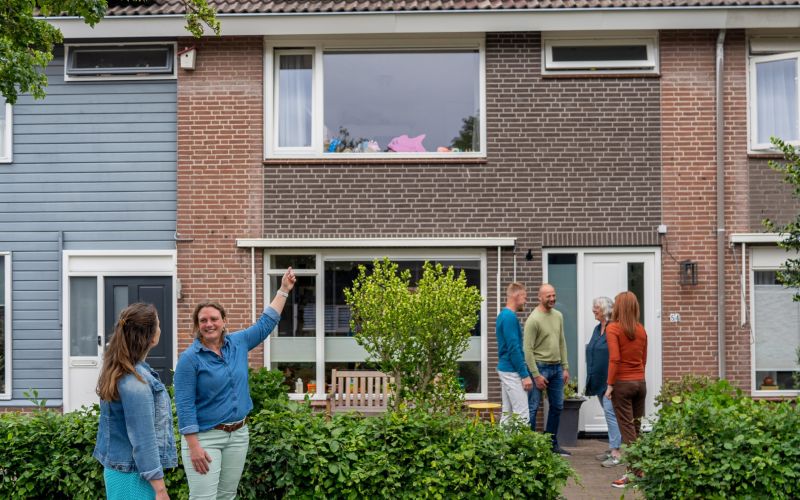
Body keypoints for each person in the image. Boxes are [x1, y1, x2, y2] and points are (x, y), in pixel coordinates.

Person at [174, 268, 296, 499]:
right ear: (197, 325)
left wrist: (283, 290)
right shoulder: (189, 359)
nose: (209, 324)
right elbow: (184, 405)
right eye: (203, 320)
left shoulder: (238, 343)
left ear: (224, 321)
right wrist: (193, 446)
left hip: (238, 435)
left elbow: (265, 324)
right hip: (205, 438)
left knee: (227, 496)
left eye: (214, 319)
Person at [93, 303, 176, 500]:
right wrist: (160, 489)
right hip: (134, 476)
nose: (160, 329)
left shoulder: (123, 371)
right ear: (150, 336)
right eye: (158, 325)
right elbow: (144, 439)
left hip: (123, 472)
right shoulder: (135, 382)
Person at [605, 291, 648, 489]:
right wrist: (638, 377)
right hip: (640, 383)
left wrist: (610, 385)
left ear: (619, 307)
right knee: (636, 428)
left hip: (622, 384)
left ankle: (635, 474)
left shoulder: (613, 328)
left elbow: (614, 359)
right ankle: (638, 470)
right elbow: (643, 359)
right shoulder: (641, 329)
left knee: (628, 430)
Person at [524, 283, 571, 456]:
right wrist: (536, 375)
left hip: (557, 368)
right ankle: (529, 448)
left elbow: (562, 342)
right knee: (533, 408)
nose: (552, 299)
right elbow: (527, 350)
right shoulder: (533, 319)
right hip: (539, 367)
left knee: (557, 406)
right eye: (548, 296)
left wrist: (565, 367)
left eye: (553, 295)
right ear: (540, 297)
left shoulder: (558, 316)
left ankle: (551, 444)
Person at [584, 296, 623, 468]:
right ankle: (613, 447)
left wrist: (611, 383)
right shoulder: (597, 328)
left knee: (611, 414)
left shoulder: (614, 328)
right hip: (598, 380)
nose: (593, 310)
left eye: (597, 308)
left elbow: (616, 356)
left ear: (605, 310)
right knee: (609, 414)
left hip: (610, 381)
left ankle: (616, 453)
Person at [495, 282, 534, 425]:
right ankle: (520, 441)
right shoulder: (509, 317)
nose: (525, 301)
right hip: (511, 371)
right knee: (522, 414)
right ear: (516, 295)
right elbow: (513, 348)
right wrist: (524, 375)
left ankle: (502, 440)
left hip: (506, 369)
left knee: (508, 414)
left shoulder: (503, 315)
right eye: (524, 297)